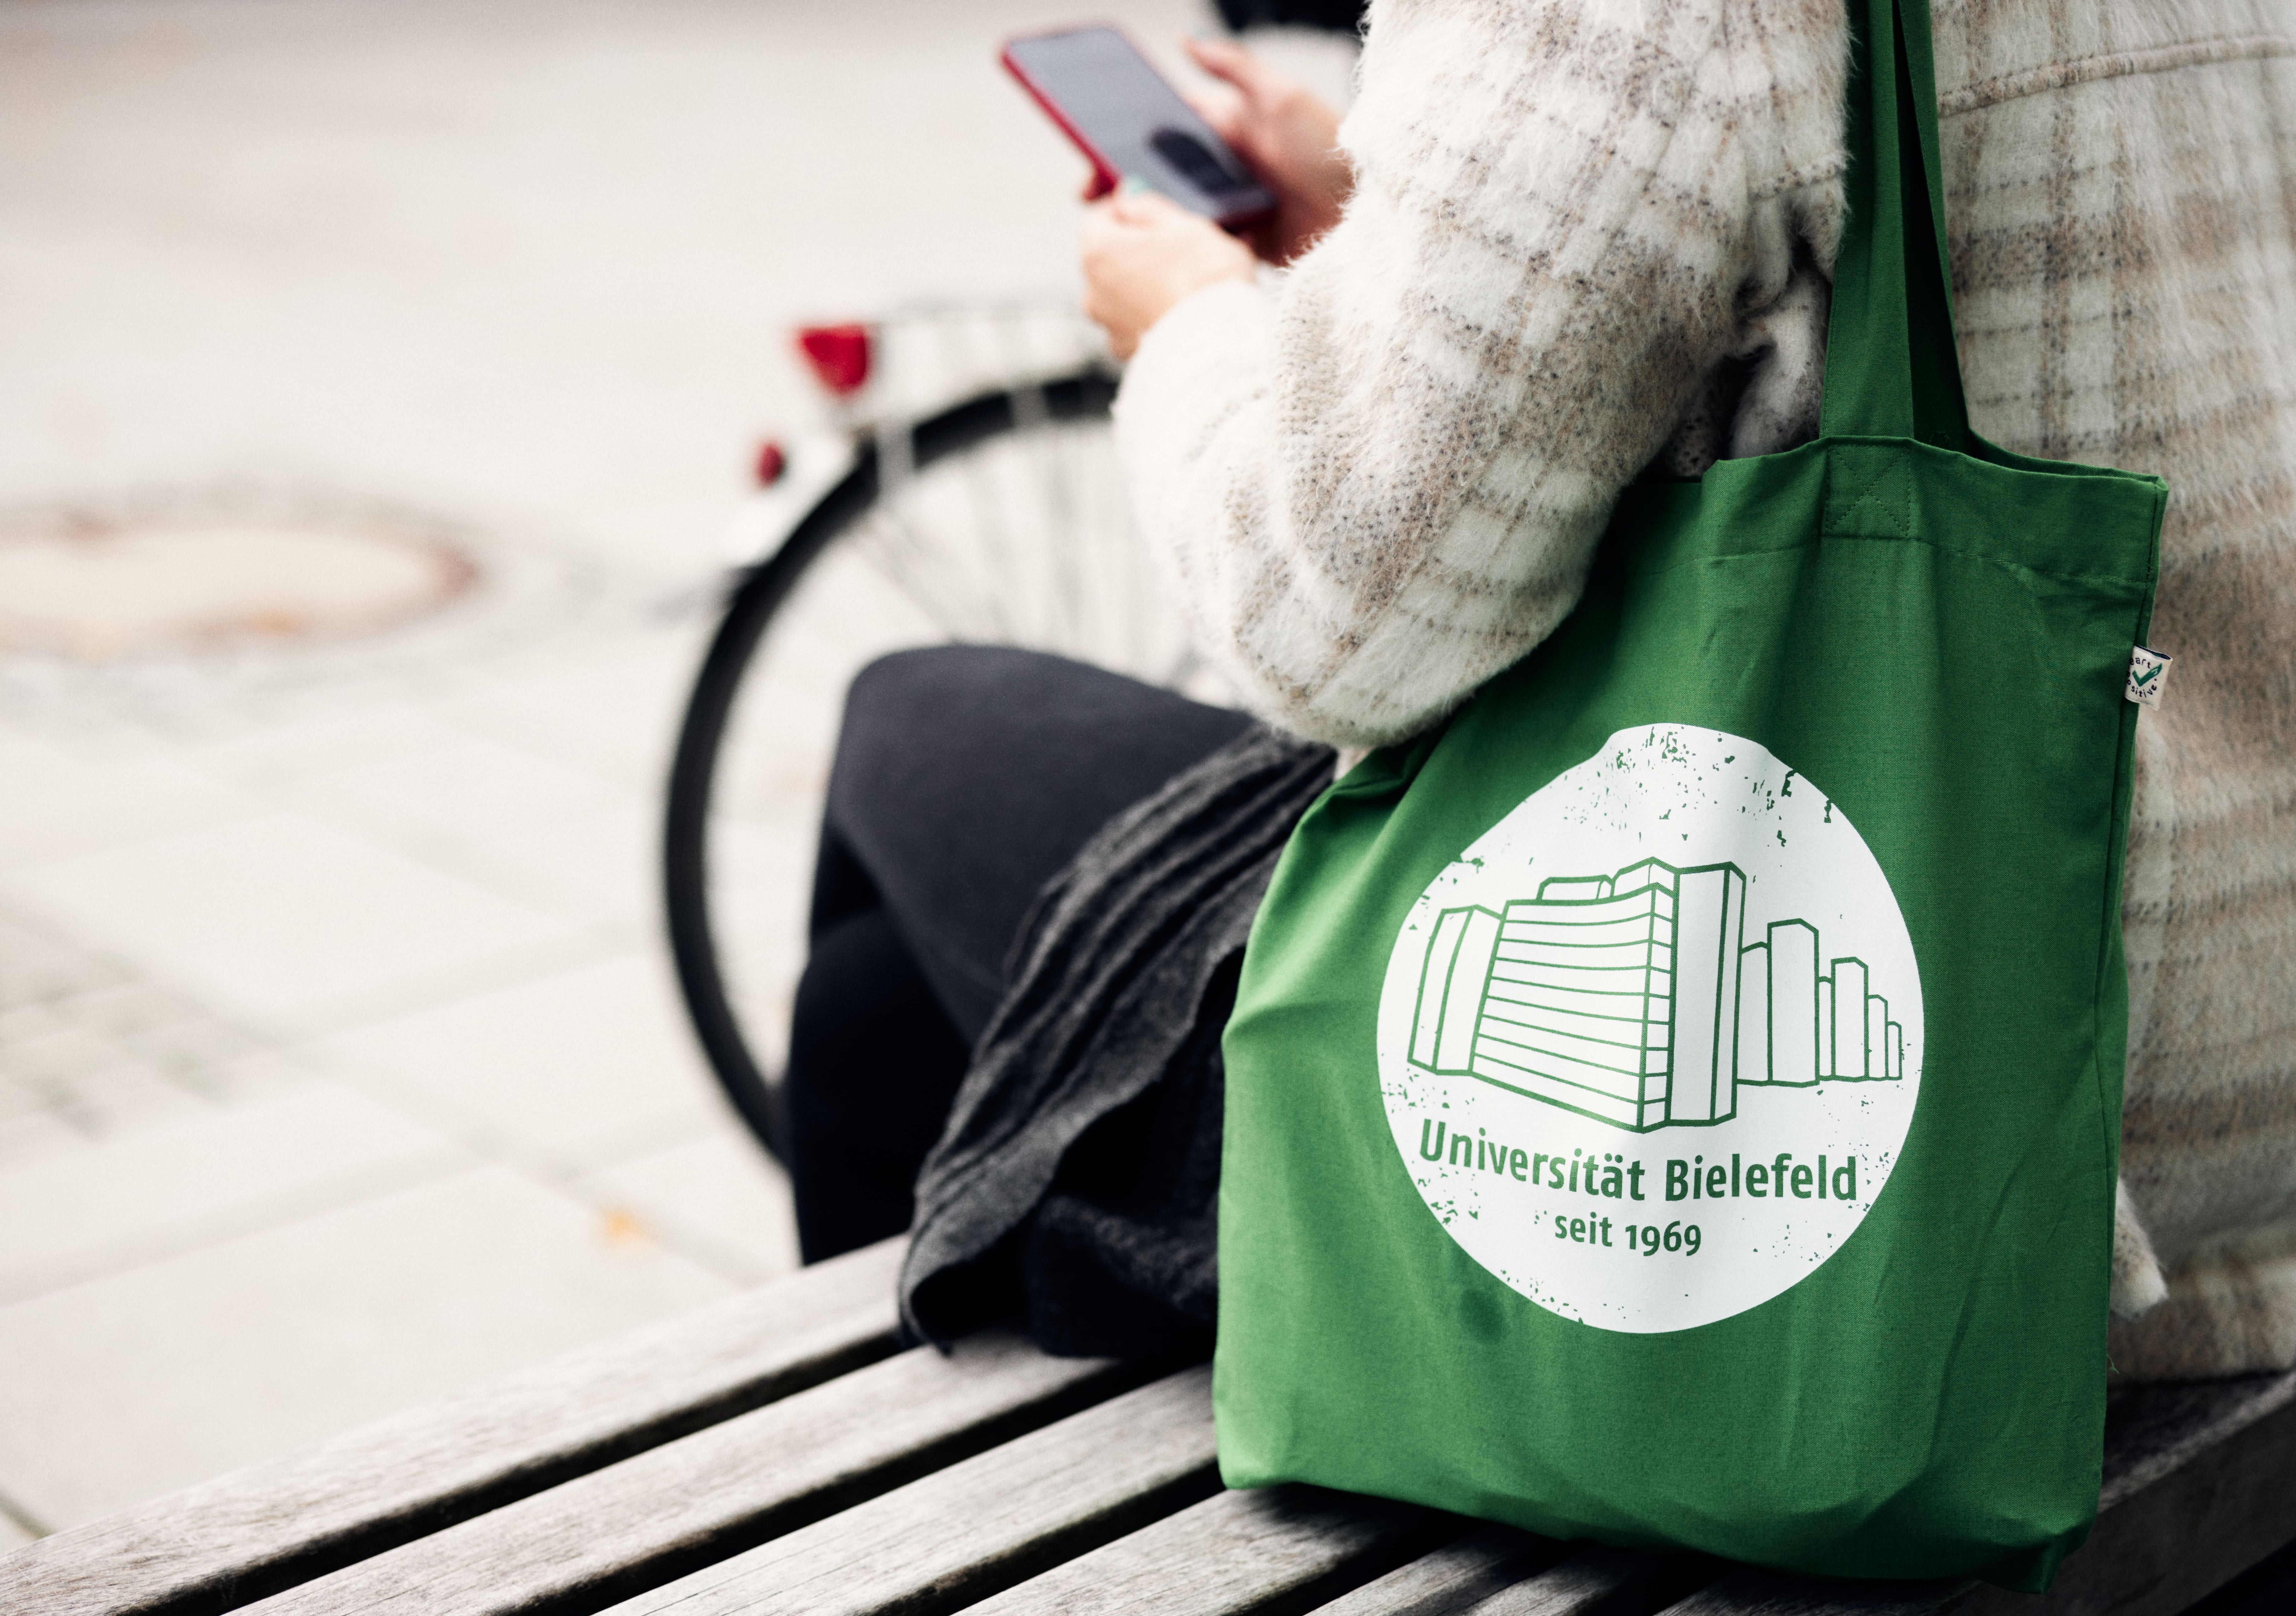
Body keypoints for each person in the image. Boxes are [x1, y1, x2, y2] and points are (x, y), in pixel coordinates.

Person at [800, 0, 2296, 1381]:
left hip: (1872, 1197)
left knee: (905, 720)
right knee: (874, 1010)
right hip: (2235, 1126)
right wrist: (1379, 233)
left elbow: (1331, 620)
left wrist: (1185, 322)